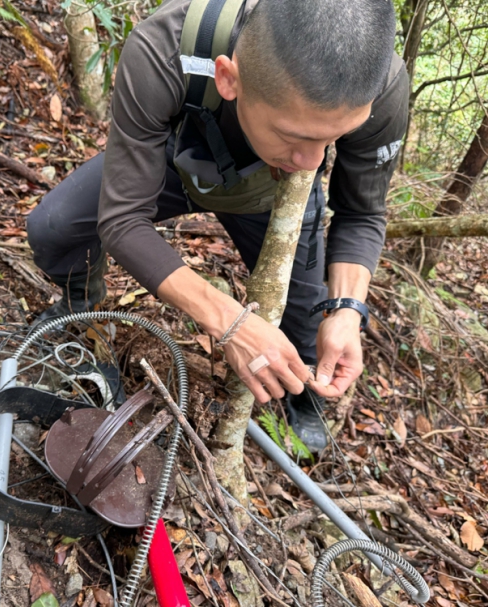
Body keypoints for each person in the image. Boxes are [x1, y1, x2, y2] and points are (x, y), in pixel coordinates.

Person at [27, 0, 409, 452]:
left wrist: (347, 309)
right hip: (173, 162)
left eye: (335, 138)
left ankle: (306, 398)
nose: (315, 162)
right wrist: (229, 322)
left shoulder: (379, 85)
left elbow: (362, 212)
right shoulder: (165, 49)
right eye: (296, 136)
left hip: (270, 196)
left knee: (305, 316)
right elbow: (123, 217)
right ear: (228, 77)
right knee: (53, 227)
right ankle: (81, 302)